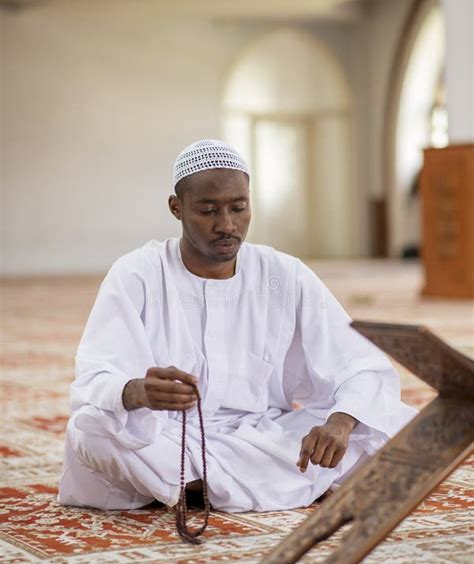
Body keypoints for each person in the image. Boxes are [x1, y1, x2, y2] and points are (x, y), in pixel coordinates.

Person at [58, 139, 416, 513]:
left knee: (390, 421)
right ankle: (271, 486)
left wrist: (340, 424)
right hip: (167, 438)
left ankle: (198, 489)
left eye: (239, 208)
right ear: (176, 208)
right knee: (89, 430)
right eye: (208, 211)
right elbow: (95, 376)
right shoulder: (138, 273)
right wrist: (137, 392)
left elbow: (358, 362)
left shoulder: (284, 274)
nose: (226, 225)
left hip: (267, 435)